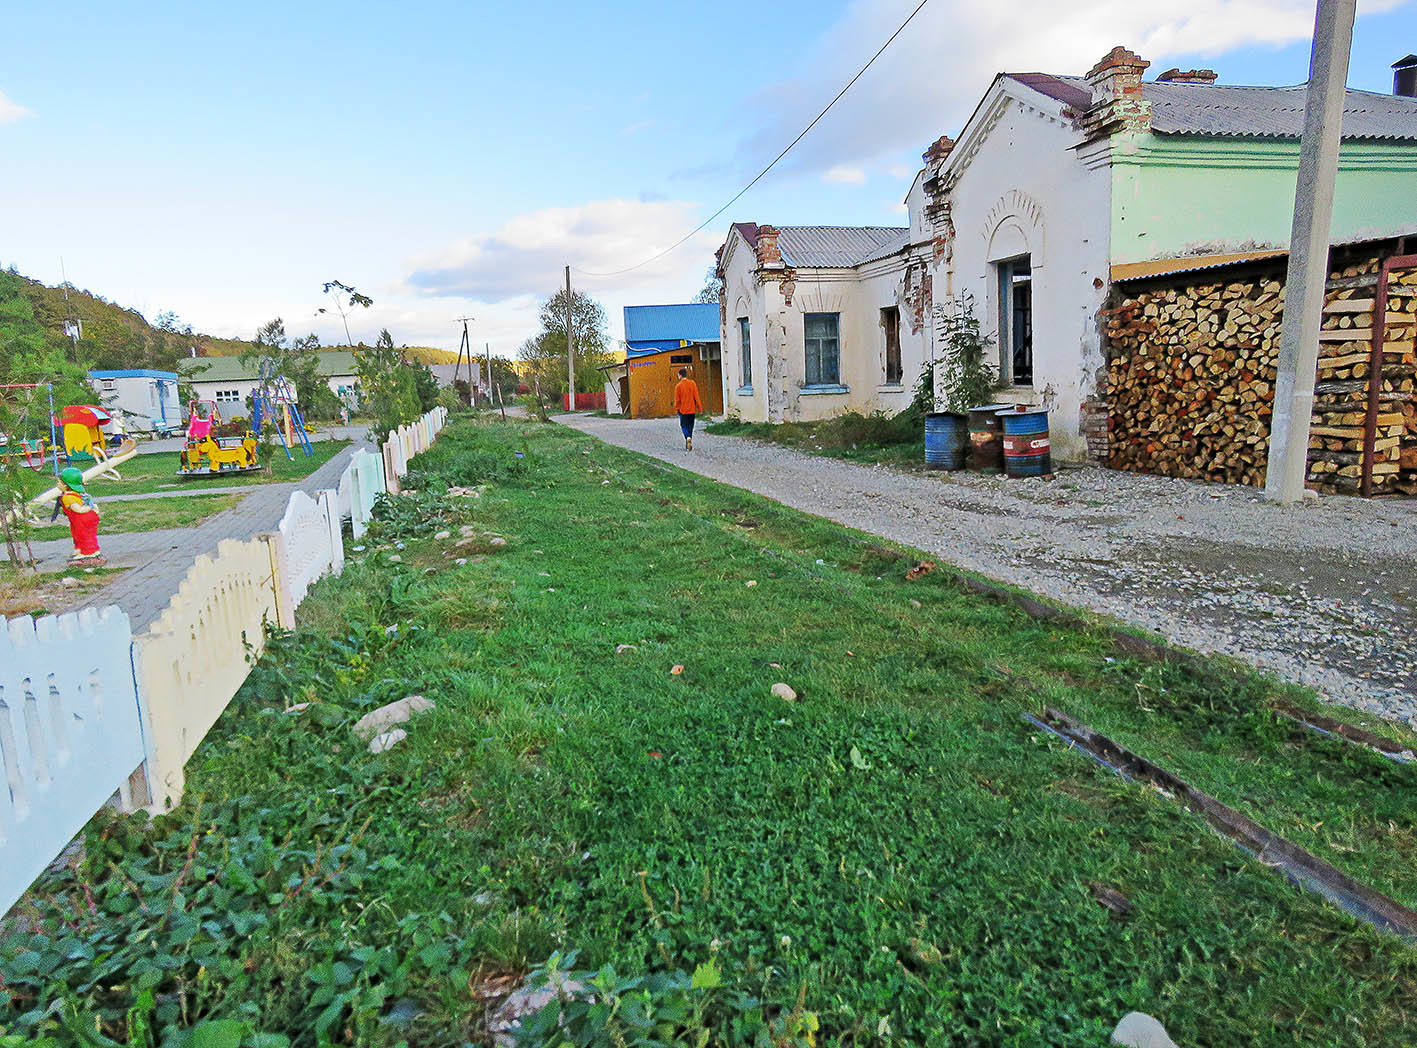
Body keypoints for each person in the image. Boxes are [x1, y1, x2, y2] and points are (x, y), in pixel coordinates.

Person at [54, 466, 103, 563]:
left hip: (83, 518)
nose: (57, 484)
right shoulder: (78, 493)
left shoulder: (68, 497)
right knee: (77, 534)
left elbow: (78, 509)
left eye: (59, 482)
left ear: (66, 485)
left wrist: (90, 507)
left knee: (83, 534)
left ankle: (89, 551)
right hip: (79, 519)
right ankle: (80, 549)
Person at [673, 367, 702, 450]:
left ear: (680, 375)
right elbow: (696, 397)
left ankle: (687, 437)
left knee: (683, 425)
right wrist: (699, 408)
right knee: (690, 426)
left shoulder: (678, 386)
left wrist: (677, 408)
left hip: (683, 410)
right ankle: (689, 440)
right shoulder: (692, 383)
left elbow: (677, 400)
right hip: (692, 409)